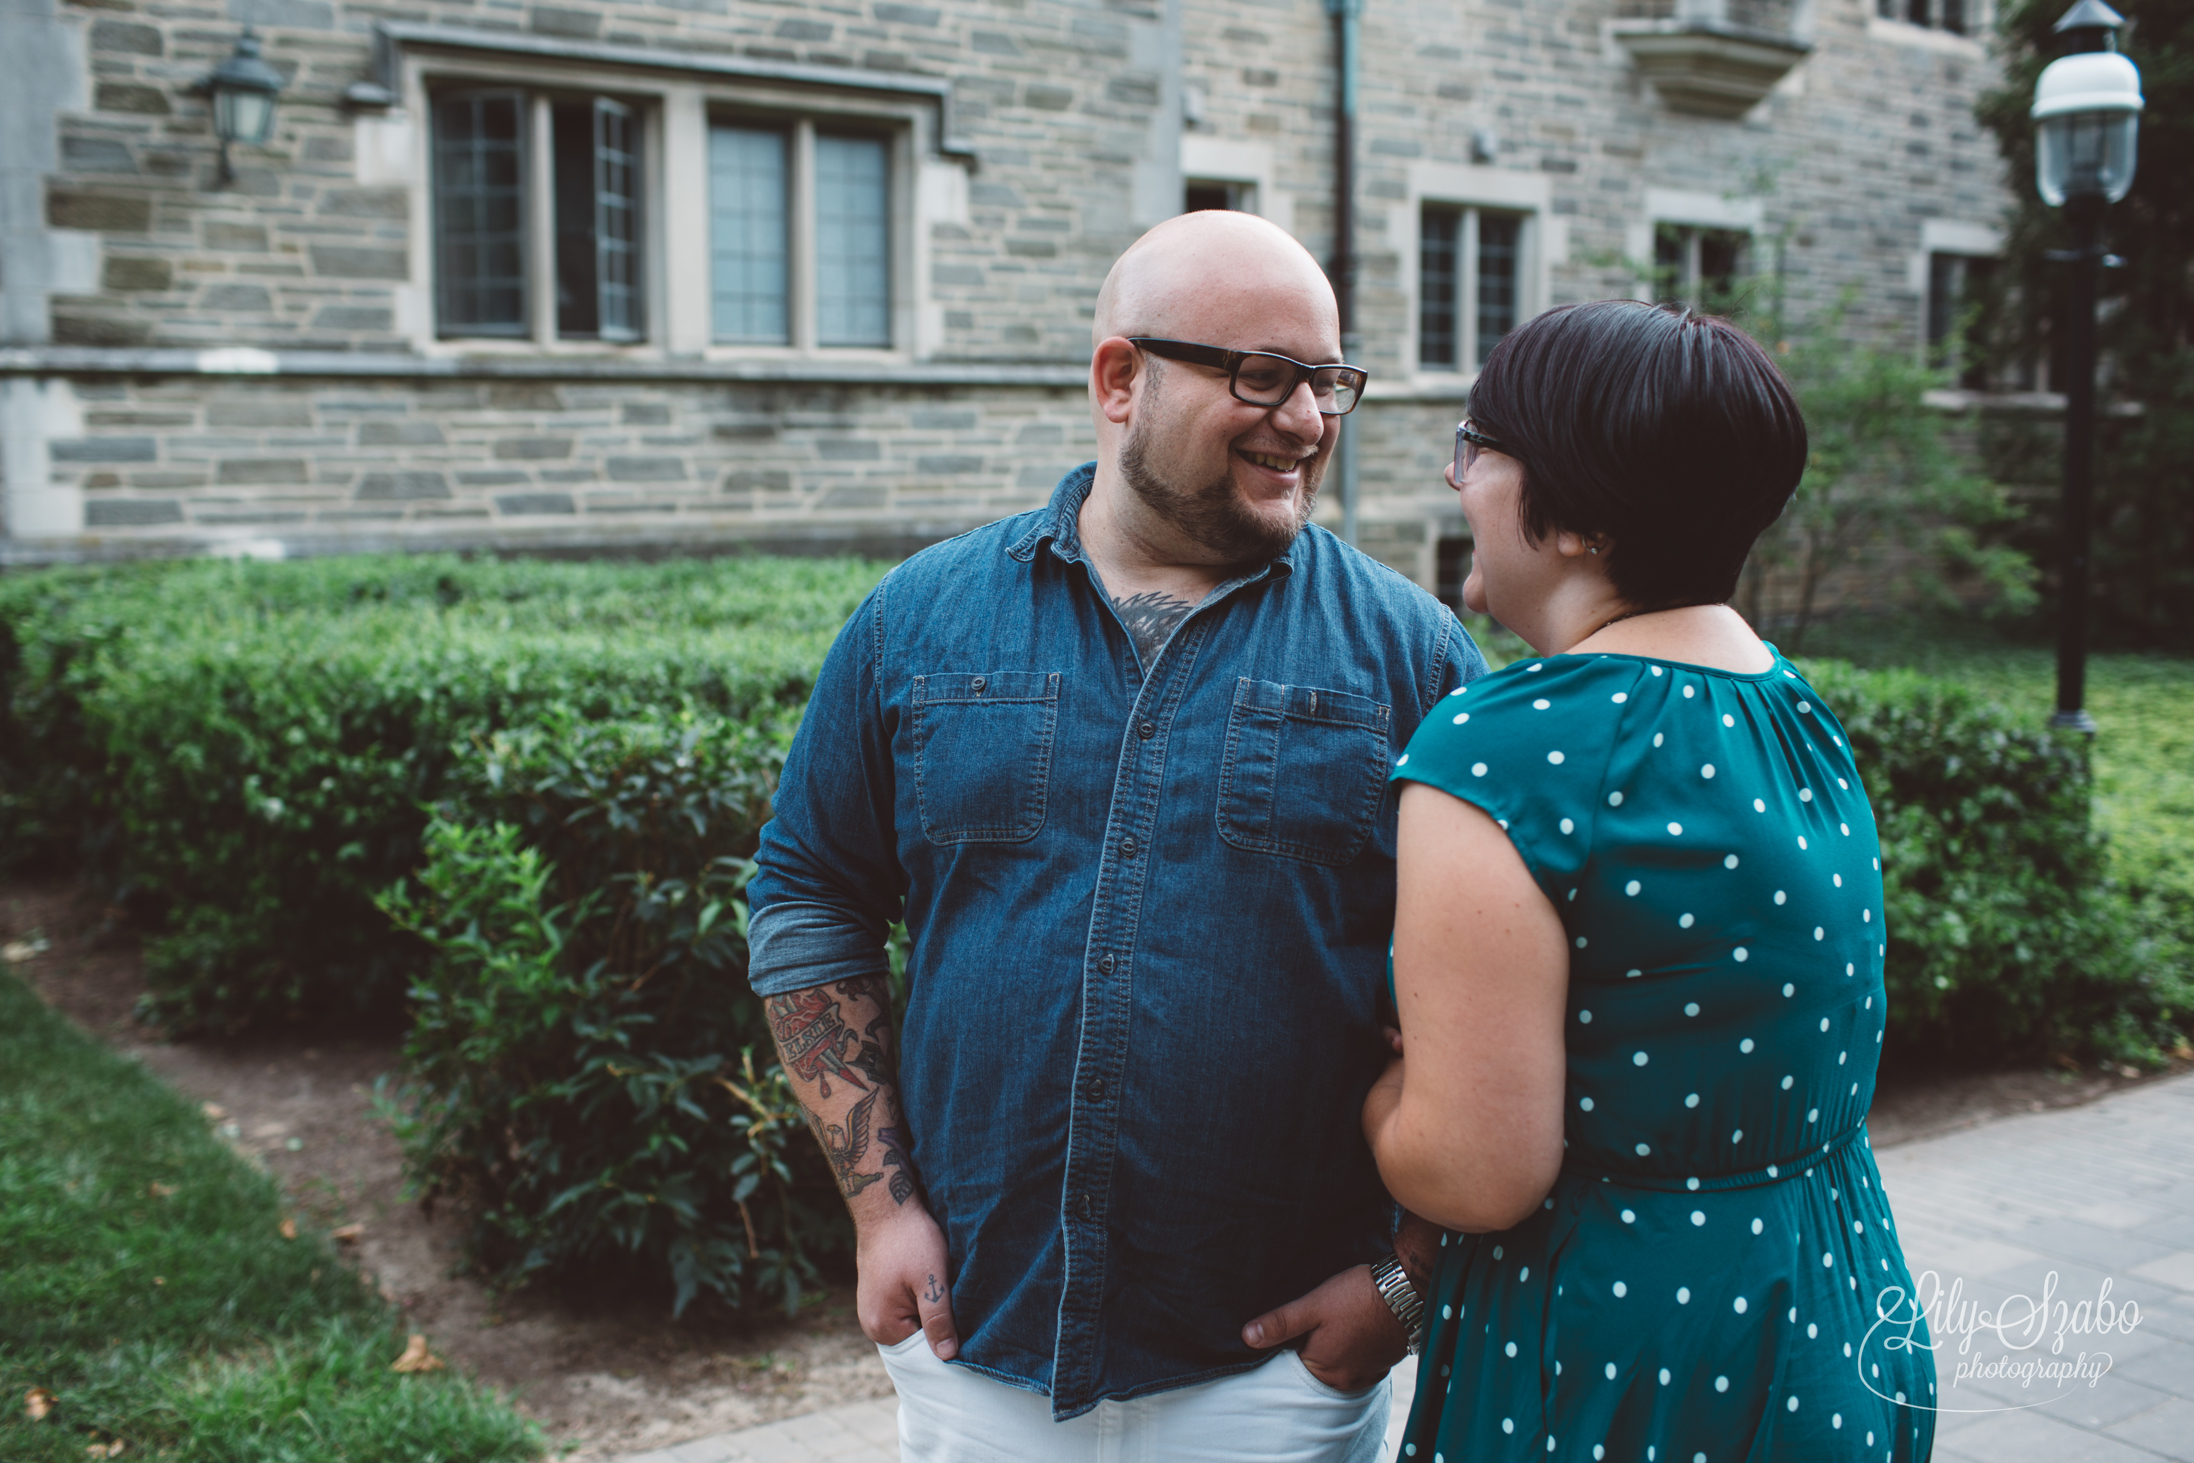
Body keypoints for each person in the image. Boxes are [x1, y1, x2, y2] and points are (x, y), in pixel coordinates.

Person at [743, 208, 1486, 1462]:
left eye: (1326, 383)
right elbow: (811, 889)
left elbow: (1496, 992)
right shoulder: (915, 621)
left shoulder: (1412, 655)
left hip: (1272, 1369)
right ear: (1119, 377)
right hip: (976, 1336)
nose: (1304, 420)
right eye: (1259, 375)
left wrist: (1407, 1277)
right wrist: (882, 1209)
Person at [1369, 299, 1937, 1462]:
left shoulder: (1507, 750)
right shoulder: (1790, 705)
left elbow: (1476, 1169)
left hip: (1623, 1353)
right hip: (1828, 1304)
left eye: (1478, 445)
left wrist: (1373, 1087)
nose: (1452, 472)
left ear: (1573, 515)